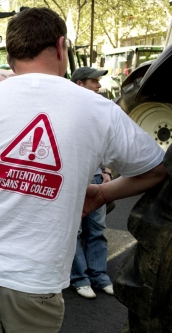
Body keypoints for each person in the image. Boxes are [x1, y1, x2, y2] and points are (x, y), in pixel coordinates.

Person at [0, 7, 166, 333]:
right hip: (36, 278)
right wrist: (102, 193)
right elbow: (156, 169)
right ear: (61, 46)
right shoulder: (96, 109)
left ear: (9, 53)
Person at [70, 66, 114, 299]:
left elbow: (106, 141)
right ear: (80, 84)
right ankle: (80, 278)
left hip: (96, 176)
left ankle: (100, 276)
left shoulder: (100, 109)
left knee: (97, 229)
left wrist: (106, 170)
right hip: (75, 179)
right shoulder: (66, 110)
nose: (98, 86)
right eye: (93, 81)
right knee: (74, 231)